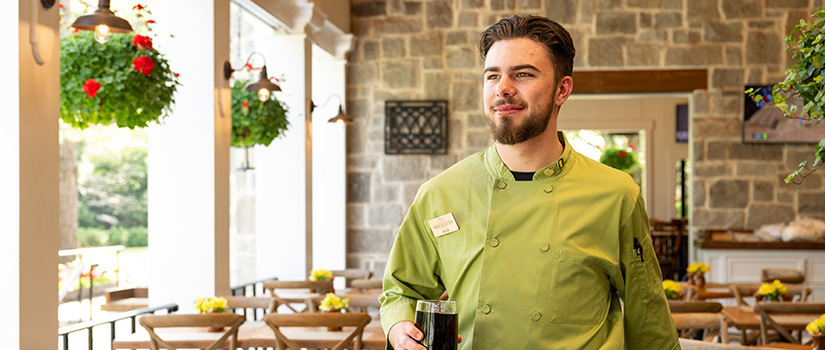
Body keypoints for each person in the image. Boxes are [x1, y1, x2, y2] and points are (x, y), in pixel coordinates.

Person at [379, 14, 680, 350]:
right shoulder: (440, 193)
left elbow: (647, 313)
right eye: (492, 75)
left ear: (562, 90)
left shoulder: (616, 194)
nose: (503, 88)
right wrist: (398, 328)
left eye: (522, 74)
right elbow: (401, 290)